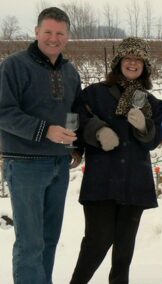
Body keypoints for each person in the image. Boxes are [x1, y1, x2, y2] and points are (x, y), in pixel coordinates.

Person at [70, 37, 162, 283]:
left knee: (123, 253)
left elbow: (156, 140)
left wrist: (146, 127)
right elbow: (75, 118)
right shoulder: (95, 93)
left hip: (135, 184)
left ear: (145, 66)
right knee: (96, 244)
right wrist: (97, 130)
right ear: (118, 62)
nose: (133, 63)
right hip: (102, 181)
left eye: (138, 60)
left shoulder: (150, 102)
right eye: (128, 58)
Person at [0, 7, 81, 284]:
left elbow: (73, 112)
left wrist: (74, 145)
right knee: (30, 242)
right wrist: (45, 130)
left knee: (48, 239)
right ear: (36, 32)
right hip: (25, 163)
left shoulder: (70, 72)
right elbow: (3, 112)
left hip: (59, 163)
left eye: (60, 33)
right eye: (48, 32)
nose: (53, 38)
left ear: (68, 36)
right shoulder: (14, 66)